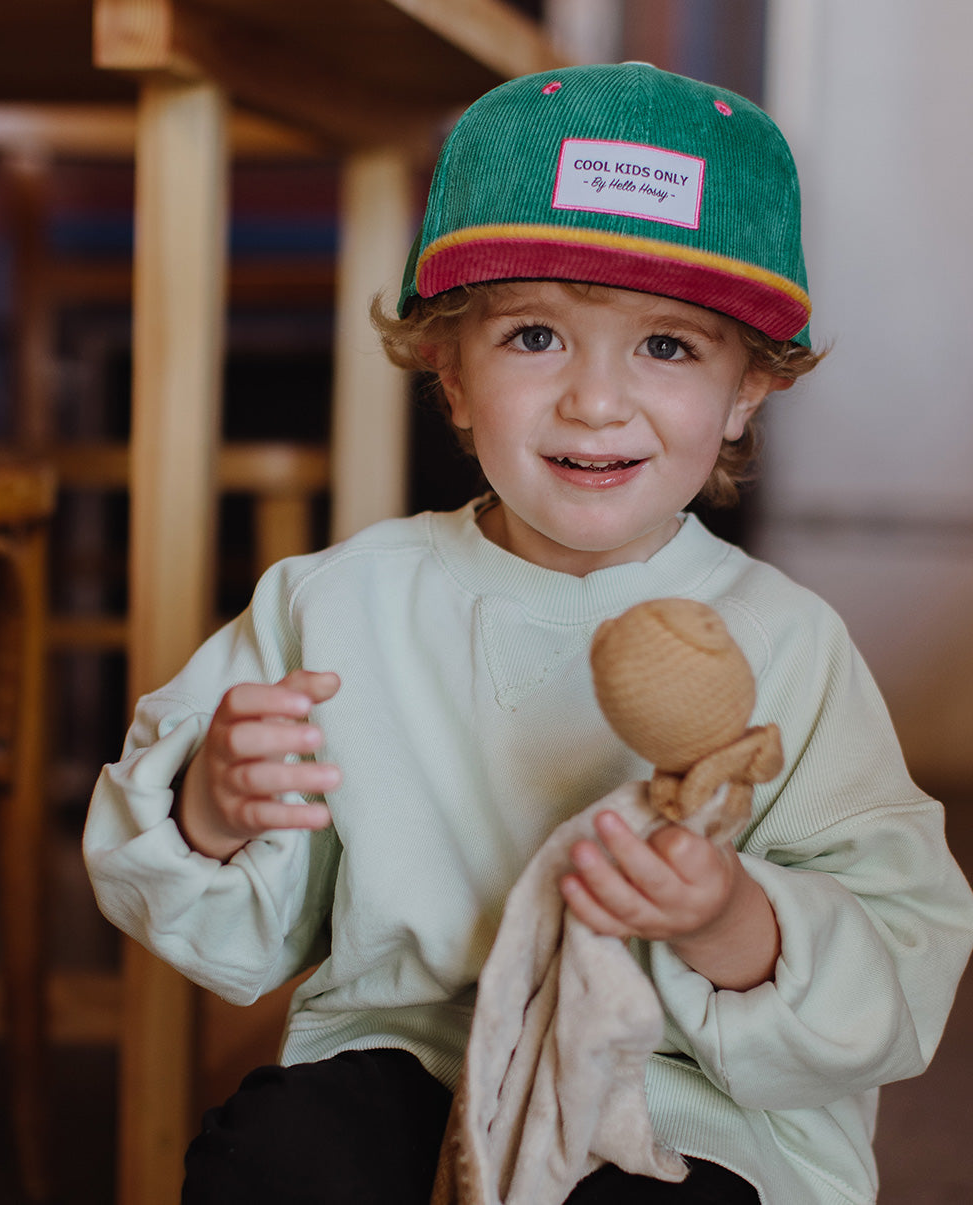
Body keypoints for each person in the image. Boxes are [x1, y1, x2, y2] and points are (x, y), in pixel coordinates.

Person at [84, 62, 973, 1204]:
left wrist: (726, 918)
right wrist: (210, 807)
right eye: (534, 337)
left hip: (684, 1106)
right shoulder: (337, 604)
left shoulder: (788, 644)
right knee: (272, 1158)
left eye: (666, 346)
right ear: (448, 368)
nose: (595, 401)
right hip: (413, 1060)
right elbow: (231, 934)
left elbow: (900, 954)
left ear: (747, 389)